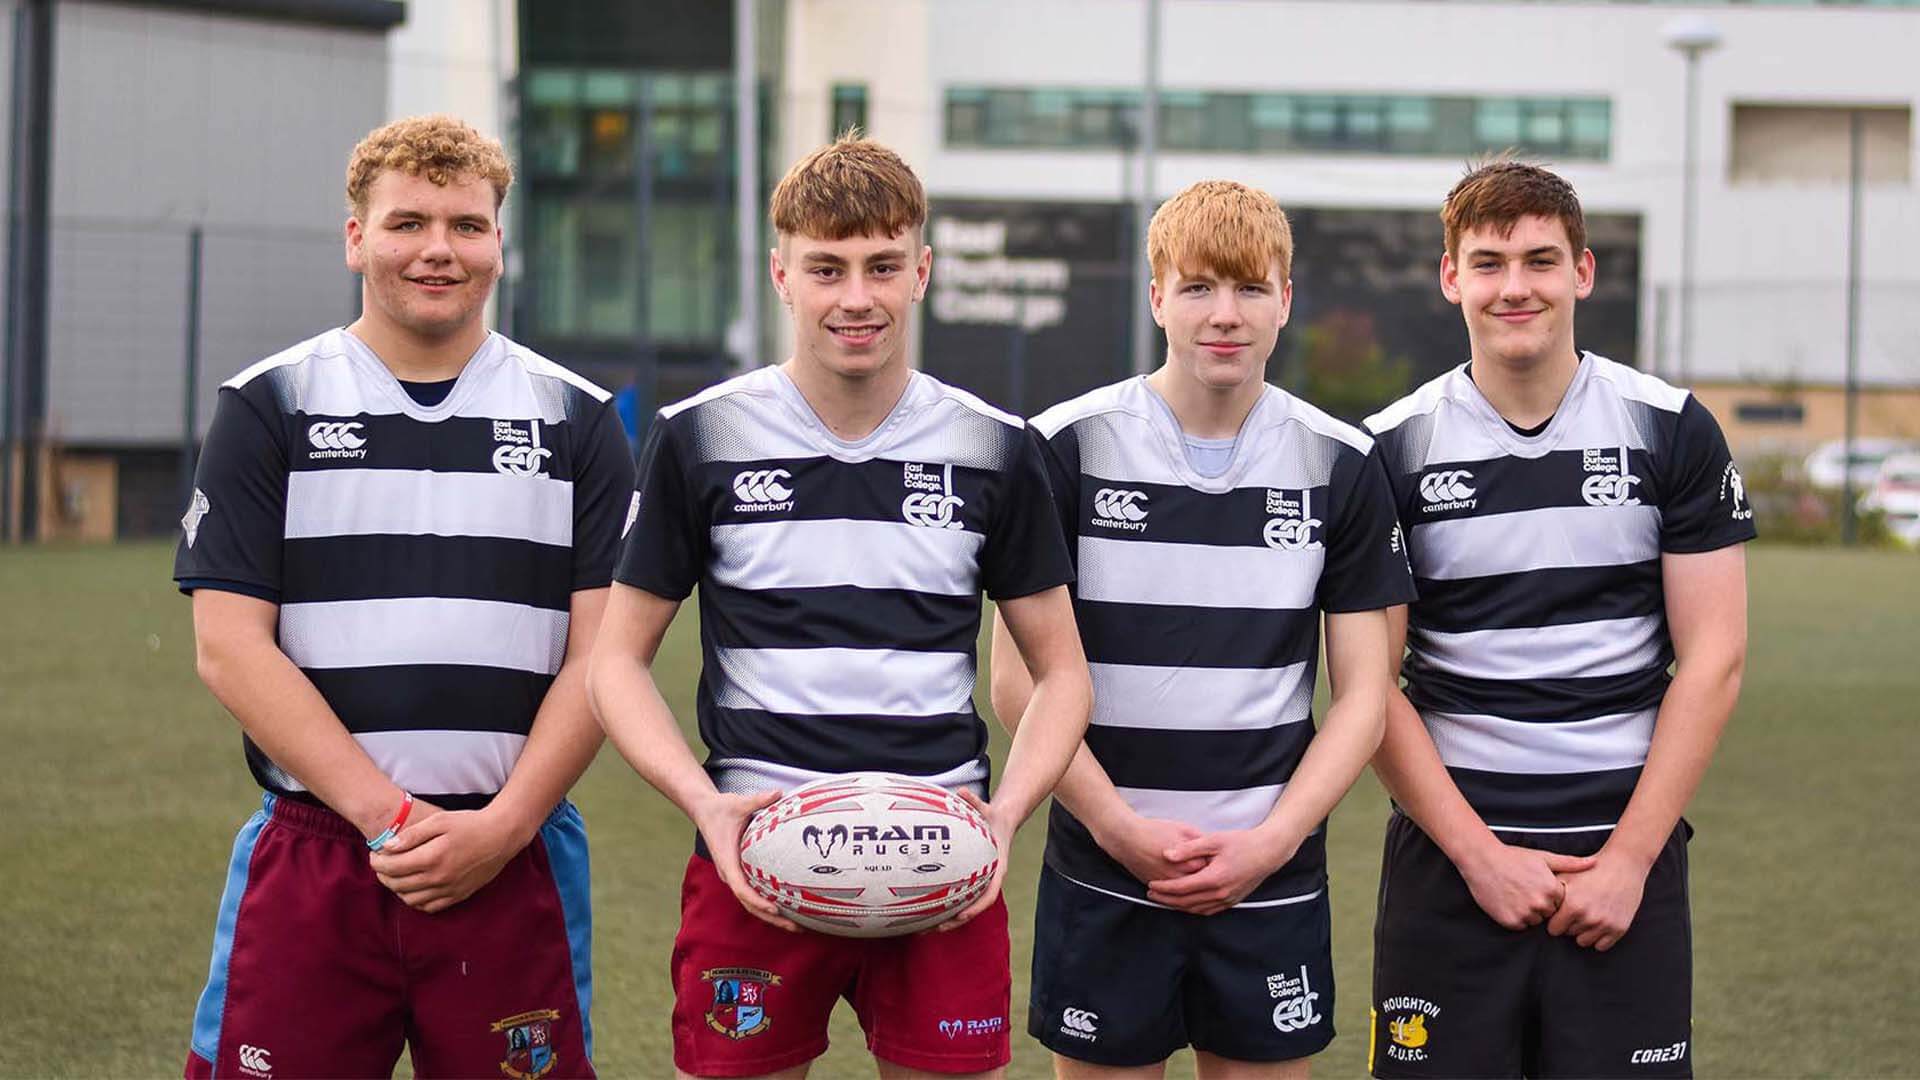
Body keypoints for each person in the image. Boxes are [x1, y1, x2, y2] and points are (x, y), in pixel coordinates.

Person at [586, 134, 1093, 1080]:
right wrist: (707, 806)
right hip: (759, 856)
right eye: (827, 268)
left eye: (882, 266)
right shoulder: (699, 436)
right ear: (782, 274)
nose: (855, 297)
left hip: (942, 858)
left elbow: (1063, 673)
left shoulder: (995, 446)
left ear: (923, 273)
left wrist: (1006, 817)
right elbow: (614, 663)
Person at [173, 114, 630, 1079]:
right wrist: (390, 819)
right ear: (356, 238)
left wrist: (500, 830)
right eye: (407, 222)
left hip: (516, 848)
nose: (438, 250)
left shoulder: (578, 418)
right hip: (321, 852)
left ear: (500, 242)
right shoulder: (270, 404)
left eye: (467, 225)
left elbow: (604, 659)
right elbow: (230, 647)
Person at [993, 179, 1414, 1079]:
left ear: (1285, 299)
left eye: (1250, 289)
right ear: (1156, 297)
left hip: (1270, 876)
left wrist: (1273, 840)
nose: (1225, 315)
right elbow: (1016, 682)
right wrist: (1114, 825)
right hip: (1107, 868)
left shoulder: (1339, 461)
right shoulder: (1063, 447)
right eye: (1197, 288)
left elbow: (1366, 696)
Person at [1363, 160, 1754, 1078]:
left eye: (1541, 260)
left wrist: (1627, 862)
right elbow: (1367, 685)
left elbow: (1716, 659)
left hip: (1625, 858)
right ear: (1451, 276)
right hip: (1450, 863)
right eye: (1489, 263)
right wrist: (1478, 857)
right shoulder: (1389, 448)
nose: (1515, 287)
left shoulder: (1671, 429)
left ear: (1582, 272)